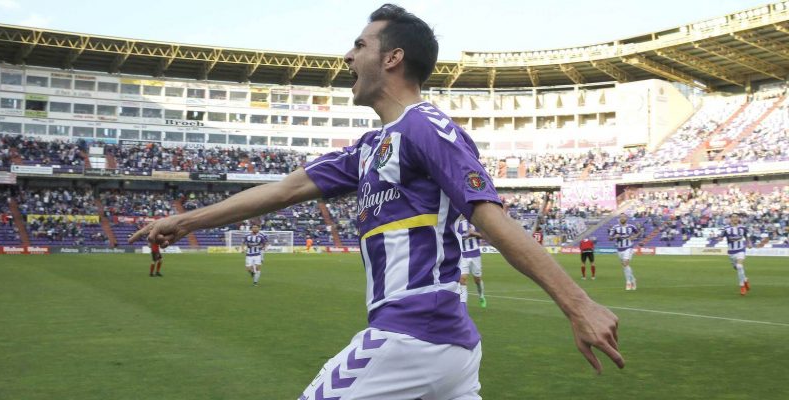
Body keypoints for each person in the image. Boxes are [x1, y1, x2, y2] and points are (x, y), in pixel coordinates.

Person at [131, 5, 623, 398]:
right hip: (445, 347)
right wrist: (188, 220)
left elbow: (490, 217)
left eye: (360, 44)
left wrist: (577, 305)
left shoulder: (426, 128)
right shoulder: (372, 147)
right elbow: (285, 190)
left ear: (392, 58)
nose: (347, 56)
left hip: (414, 331)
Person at [456, 215, 487, 308]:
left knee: (477, 279)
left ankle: (481, 296)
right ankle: (463, 305)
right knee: (462, 279)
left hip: (475, 254)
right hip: (463, 255)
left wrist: (473, 233)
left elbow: (483, 235)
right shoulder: (456, 224)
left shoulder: (474, 222)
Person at [718, 213, 752, 295]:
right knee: (738, 268)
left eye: (737, 217)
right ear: (730, 219)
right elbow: (721, 236)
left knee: (739, 266)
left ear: (738, 218)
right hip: (731, 252)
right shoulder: (726, 228)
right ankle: (745, 280)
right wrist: (719, 238)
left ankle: (742, 286)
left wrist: (749, 243)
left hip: (741, 250)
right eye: (733, 217)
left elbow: (747, 236)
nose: (735, 218)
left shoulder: (743, 228)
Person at [608, 213, 639, 290]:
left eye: (624, 217)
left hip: (628, 247)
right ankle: (633, 280)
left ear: (626, 218)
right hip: (619, 249)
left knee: (625, 263)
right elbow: (610, 238)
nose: (622, 218)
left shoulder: (631, 227)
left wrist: (633, 237)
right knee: (625, 266)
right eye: (621, 217)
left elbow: (638, 232)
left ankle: (628, 282)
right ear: (619, 218)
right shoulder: (615, 227)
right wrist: (615, 237)